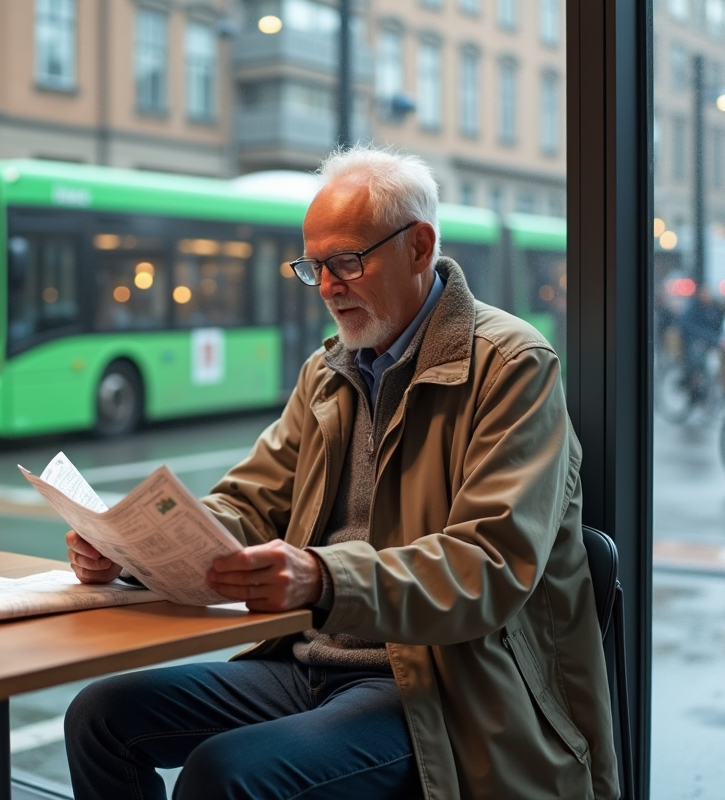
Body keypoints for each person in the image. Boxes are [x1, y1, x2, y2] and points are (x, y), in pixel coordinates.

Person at [63, 146, 618, 800]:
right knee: (100, 717)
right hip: (312, 665)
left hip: (442, 689)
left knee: (223, 773)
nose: (327, 287)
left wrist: (323, 577)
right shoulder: (329, 372)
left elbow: (488, 567)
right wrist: (135, 544)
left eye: (346, 262)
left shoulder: (513, 365)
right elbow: (251, 500)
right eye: (314, 267)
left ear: (419, 247)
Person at [676, 284, 724, 401]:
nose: (706, 297)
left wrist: (718, 339)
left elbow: (716, 327)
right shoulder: (692, 308)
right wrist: (711, 337)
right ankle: (694, 388)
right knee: (698, 364)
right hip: (693, 342)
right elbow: (688, 327)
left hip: (708, 343)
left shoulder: (712, 310)